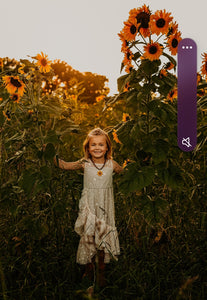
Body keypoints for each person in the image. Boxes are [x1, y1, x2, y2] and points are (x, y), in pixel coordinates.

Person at [53, 127, 123, 287]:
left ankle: (102, 272)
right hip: (89, 205)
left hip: (106, 206)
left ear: (107, 147)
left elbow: (125, 172)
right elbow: (64, 165)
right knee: (89, 236)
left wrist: (141, 166)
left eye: (101, 144)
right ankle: (89, 269)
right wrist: (50, 153)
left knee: (103, 237)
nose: (97, 148)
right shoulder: (84, 163)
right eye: (93, 145)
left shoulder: (112, 164)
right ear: (87, 148)